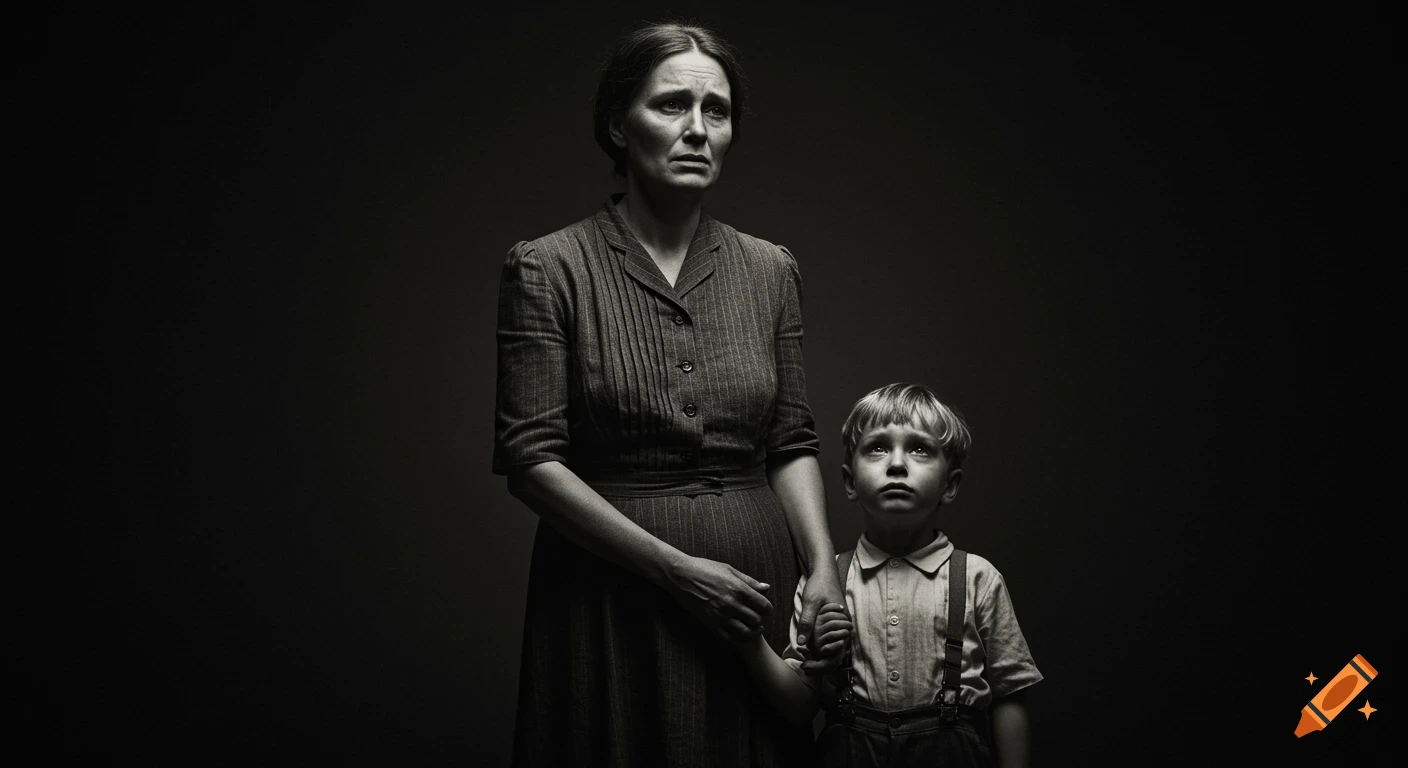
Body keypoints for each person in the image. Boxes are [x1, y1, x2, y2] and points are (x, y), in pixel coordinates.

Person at [492, 21, 846, 768]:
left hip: (756, 590)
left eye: (715, 111)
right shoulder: (548, 268)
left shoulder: (771, 269)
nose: (696, 130)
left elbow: (790, 439)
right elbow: (529, 461)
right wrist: (676, 569)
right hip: (610, 596)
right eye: (671, 106)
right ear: (618, 125)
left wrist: (821, 570)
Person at [732, 383, 1042, 767]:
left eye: (919, 449)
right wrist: (753, 642)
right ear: (849, 482)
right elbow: (798, 708)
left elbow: (1009, 694)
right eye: (877, 447)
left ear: (951, 485)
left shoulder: (978, 578)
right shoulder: (825, 581)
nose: (896, 464)